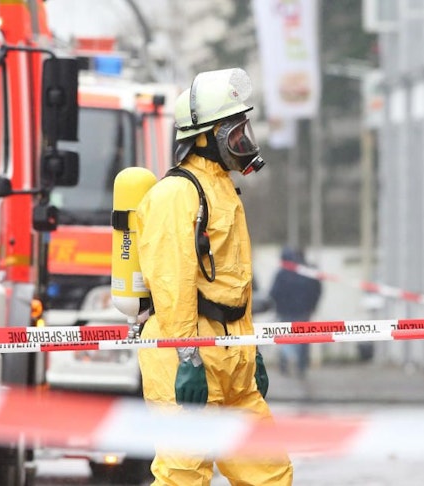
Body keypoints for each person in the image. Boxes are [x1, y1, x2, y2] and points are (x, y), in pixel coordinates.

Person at [135, 68, 294, 485]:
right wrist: (186, 358)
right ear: (206, 136)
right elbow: (173, 286)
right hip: (188, 358)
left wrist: (251, 349)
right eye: (235, 130)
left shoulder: (223, 188)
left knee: (269, 474)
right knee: (183, 476)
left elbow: (234, 286)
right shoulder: (176, 194)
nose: (244, 139)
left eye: (245, 128)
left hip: (232, 360)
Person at [269, 246, 323, 378]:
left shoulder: (282, 272)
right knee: (303, 339)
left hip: (286, 311)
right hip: (304, 312)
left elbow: (274, 292)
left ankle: (285, 364)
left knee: (285, 338)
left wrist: (277, 307)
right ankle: (301, 366)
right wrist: (312, 306)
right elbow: (317, 290)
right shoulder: (309, 271)